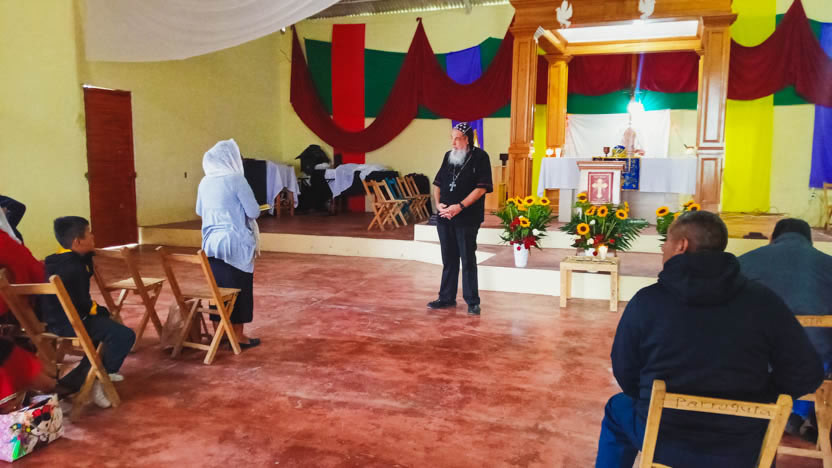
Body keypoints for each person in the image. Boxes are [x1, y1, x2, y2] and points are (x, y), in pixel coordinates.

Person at [596, 211, 823, 467]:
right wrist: (764, 396)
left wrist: (650, 398)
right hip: (741, 446)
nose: (663, 248)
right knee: (763, 439)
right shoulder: (764, 302)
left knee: (617, 410)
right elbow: (807, 372)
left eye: (666, 241)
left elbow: (625, 370)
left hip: (663, 439)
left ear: (681, 245)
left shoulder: (647, 301)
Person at [739, 218, 832, 441]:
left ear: (772, 239)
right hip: (813, 365)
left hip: (756, 360)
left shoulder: (745, 261)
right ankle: (800, 415)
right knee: (814, 352)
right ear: (810, 241)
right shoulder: (827, 263)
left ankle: (762, 414)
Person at [40, 216, 136, 409]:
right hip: (72, 322)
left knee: (103, 330)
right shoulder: (75, 268)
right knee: (124, 335)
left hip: (50, 321)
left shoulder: (53, 261)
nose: (93, 236)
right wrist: (101, 311)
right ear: (78, 241)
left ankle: (73, 382)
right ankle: (100, 378)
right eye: (89, 233)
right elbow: (83, 304)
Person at [196, 139, 261, 347]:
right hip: (235, 242)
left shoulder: (205, 181)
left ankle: (220, 332)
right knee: (239, 289)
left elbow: (199, 210)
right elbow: (253, 212)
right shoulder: (236, 180)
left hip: (210, 243)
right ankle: (238, 336)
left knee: (219, 289)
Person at [427, 122, 493, 316]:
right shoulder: (448, 156)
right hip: (445, 216)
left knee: (467, 259)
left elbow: (481, 188)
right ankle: (446, 297)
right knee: (448, 259)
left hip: (467, 217)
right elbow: (437, 184)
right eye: (452, 138)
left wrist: (460, 206)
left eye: (457, 139)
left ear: (467, 139)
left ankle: (472, 301)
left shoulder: (480, 157)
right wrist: (438, 204)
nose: (453, 143)